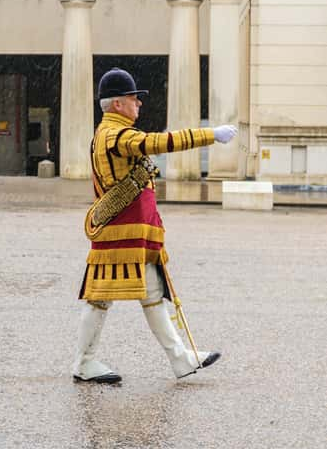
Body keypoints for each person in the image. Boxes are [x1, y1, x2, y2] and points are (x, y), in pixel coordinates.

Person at [72, 67, 235, 384]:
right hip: (123, 234)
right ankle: (84, 362)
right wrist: (210, 135)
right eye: (134, 99)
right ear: (118, 103)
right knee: (102, 297)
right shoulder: (116, 135)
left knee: (147, 293)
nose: (139, 104)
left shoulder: (108, 133)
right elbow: (161, 143)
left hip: (128, 233)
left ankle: (180, 359)